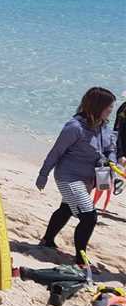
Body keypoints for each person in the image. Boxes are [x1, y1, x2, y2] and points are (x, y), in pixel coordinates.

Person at [36, 87, 117, 265]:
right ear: (97, 106)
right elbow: (55, 152)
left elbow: (111, 149)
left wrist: (111, 162)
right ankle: (80, 258)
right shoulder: (74, 127)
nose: (111, 110)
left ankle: (47, 240)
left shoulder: (104, 126)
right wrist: (43, 175)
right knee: (89, 216)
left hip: (89, 179)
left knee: (66, 208)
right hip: (68, 177)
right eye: (108, 107)